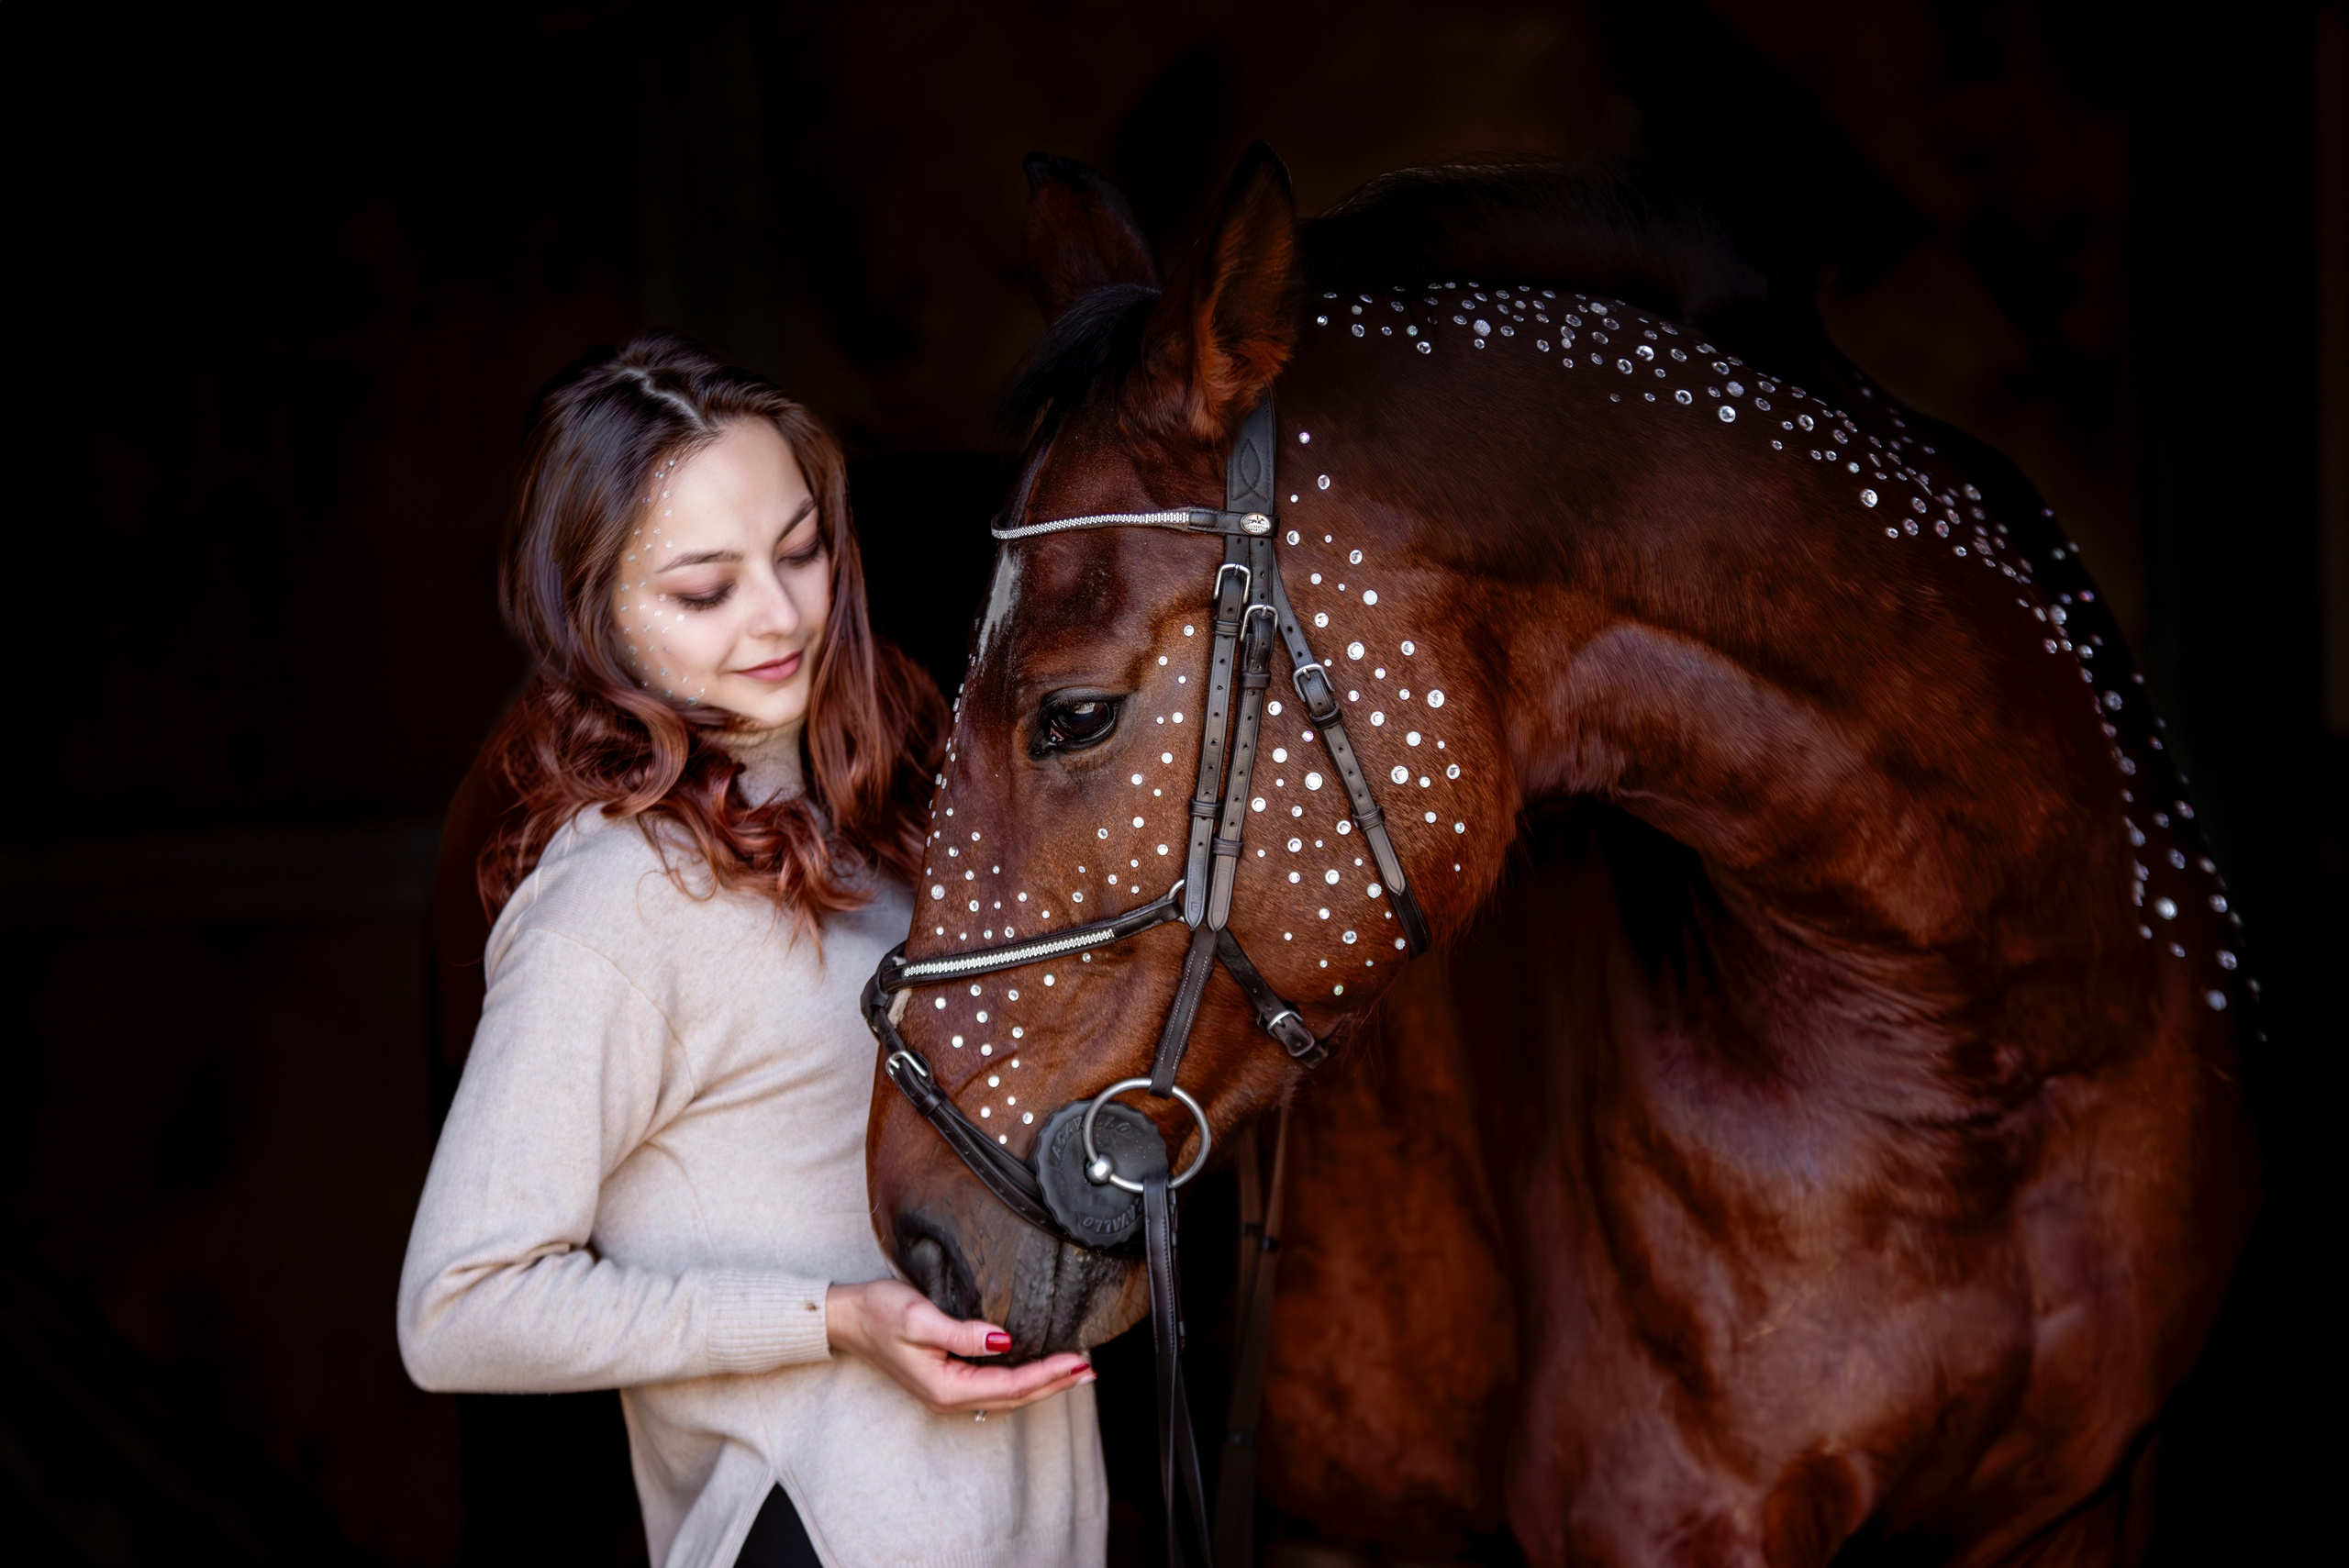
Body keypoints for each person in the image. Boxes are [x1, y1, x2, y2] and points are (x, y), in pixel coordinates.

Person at [397, 335, 1105, 1568]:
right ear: (595, 608)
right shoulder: (613, 901)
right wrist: (828, 1320)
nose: (782, 615)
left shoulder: (901, 827)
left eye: (799, 550)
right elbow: (456, 1307)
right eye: (704, 588)